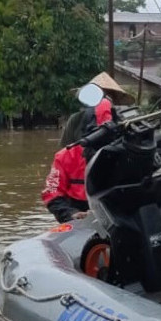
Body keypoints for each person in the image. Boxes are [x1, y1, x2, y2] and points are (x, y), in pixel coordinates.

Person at [42, 76, 127, 223]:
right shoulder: (67, 154)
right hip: (79, 214)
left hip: (116, 214)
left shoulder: (127, 151)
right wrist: (71, 214)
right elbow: (52, 192)